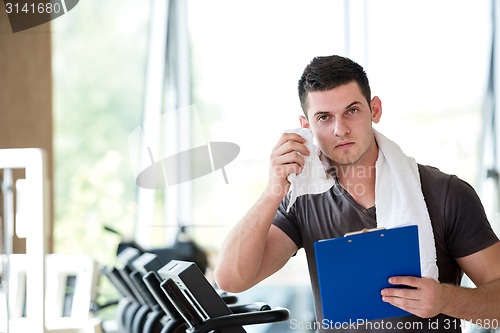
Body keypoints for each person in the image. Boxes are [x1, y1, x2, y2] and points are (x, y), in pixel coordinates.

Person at [213, 55, 500, 332]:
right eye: (324, 117)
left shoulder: (445, 194)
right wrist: (272, 191)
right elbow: (231, 279)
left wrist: (444, 299)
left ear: (374, 109)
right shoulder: (301, 200)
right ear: (306, 126)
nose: (340, 130)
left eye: (352, 111)